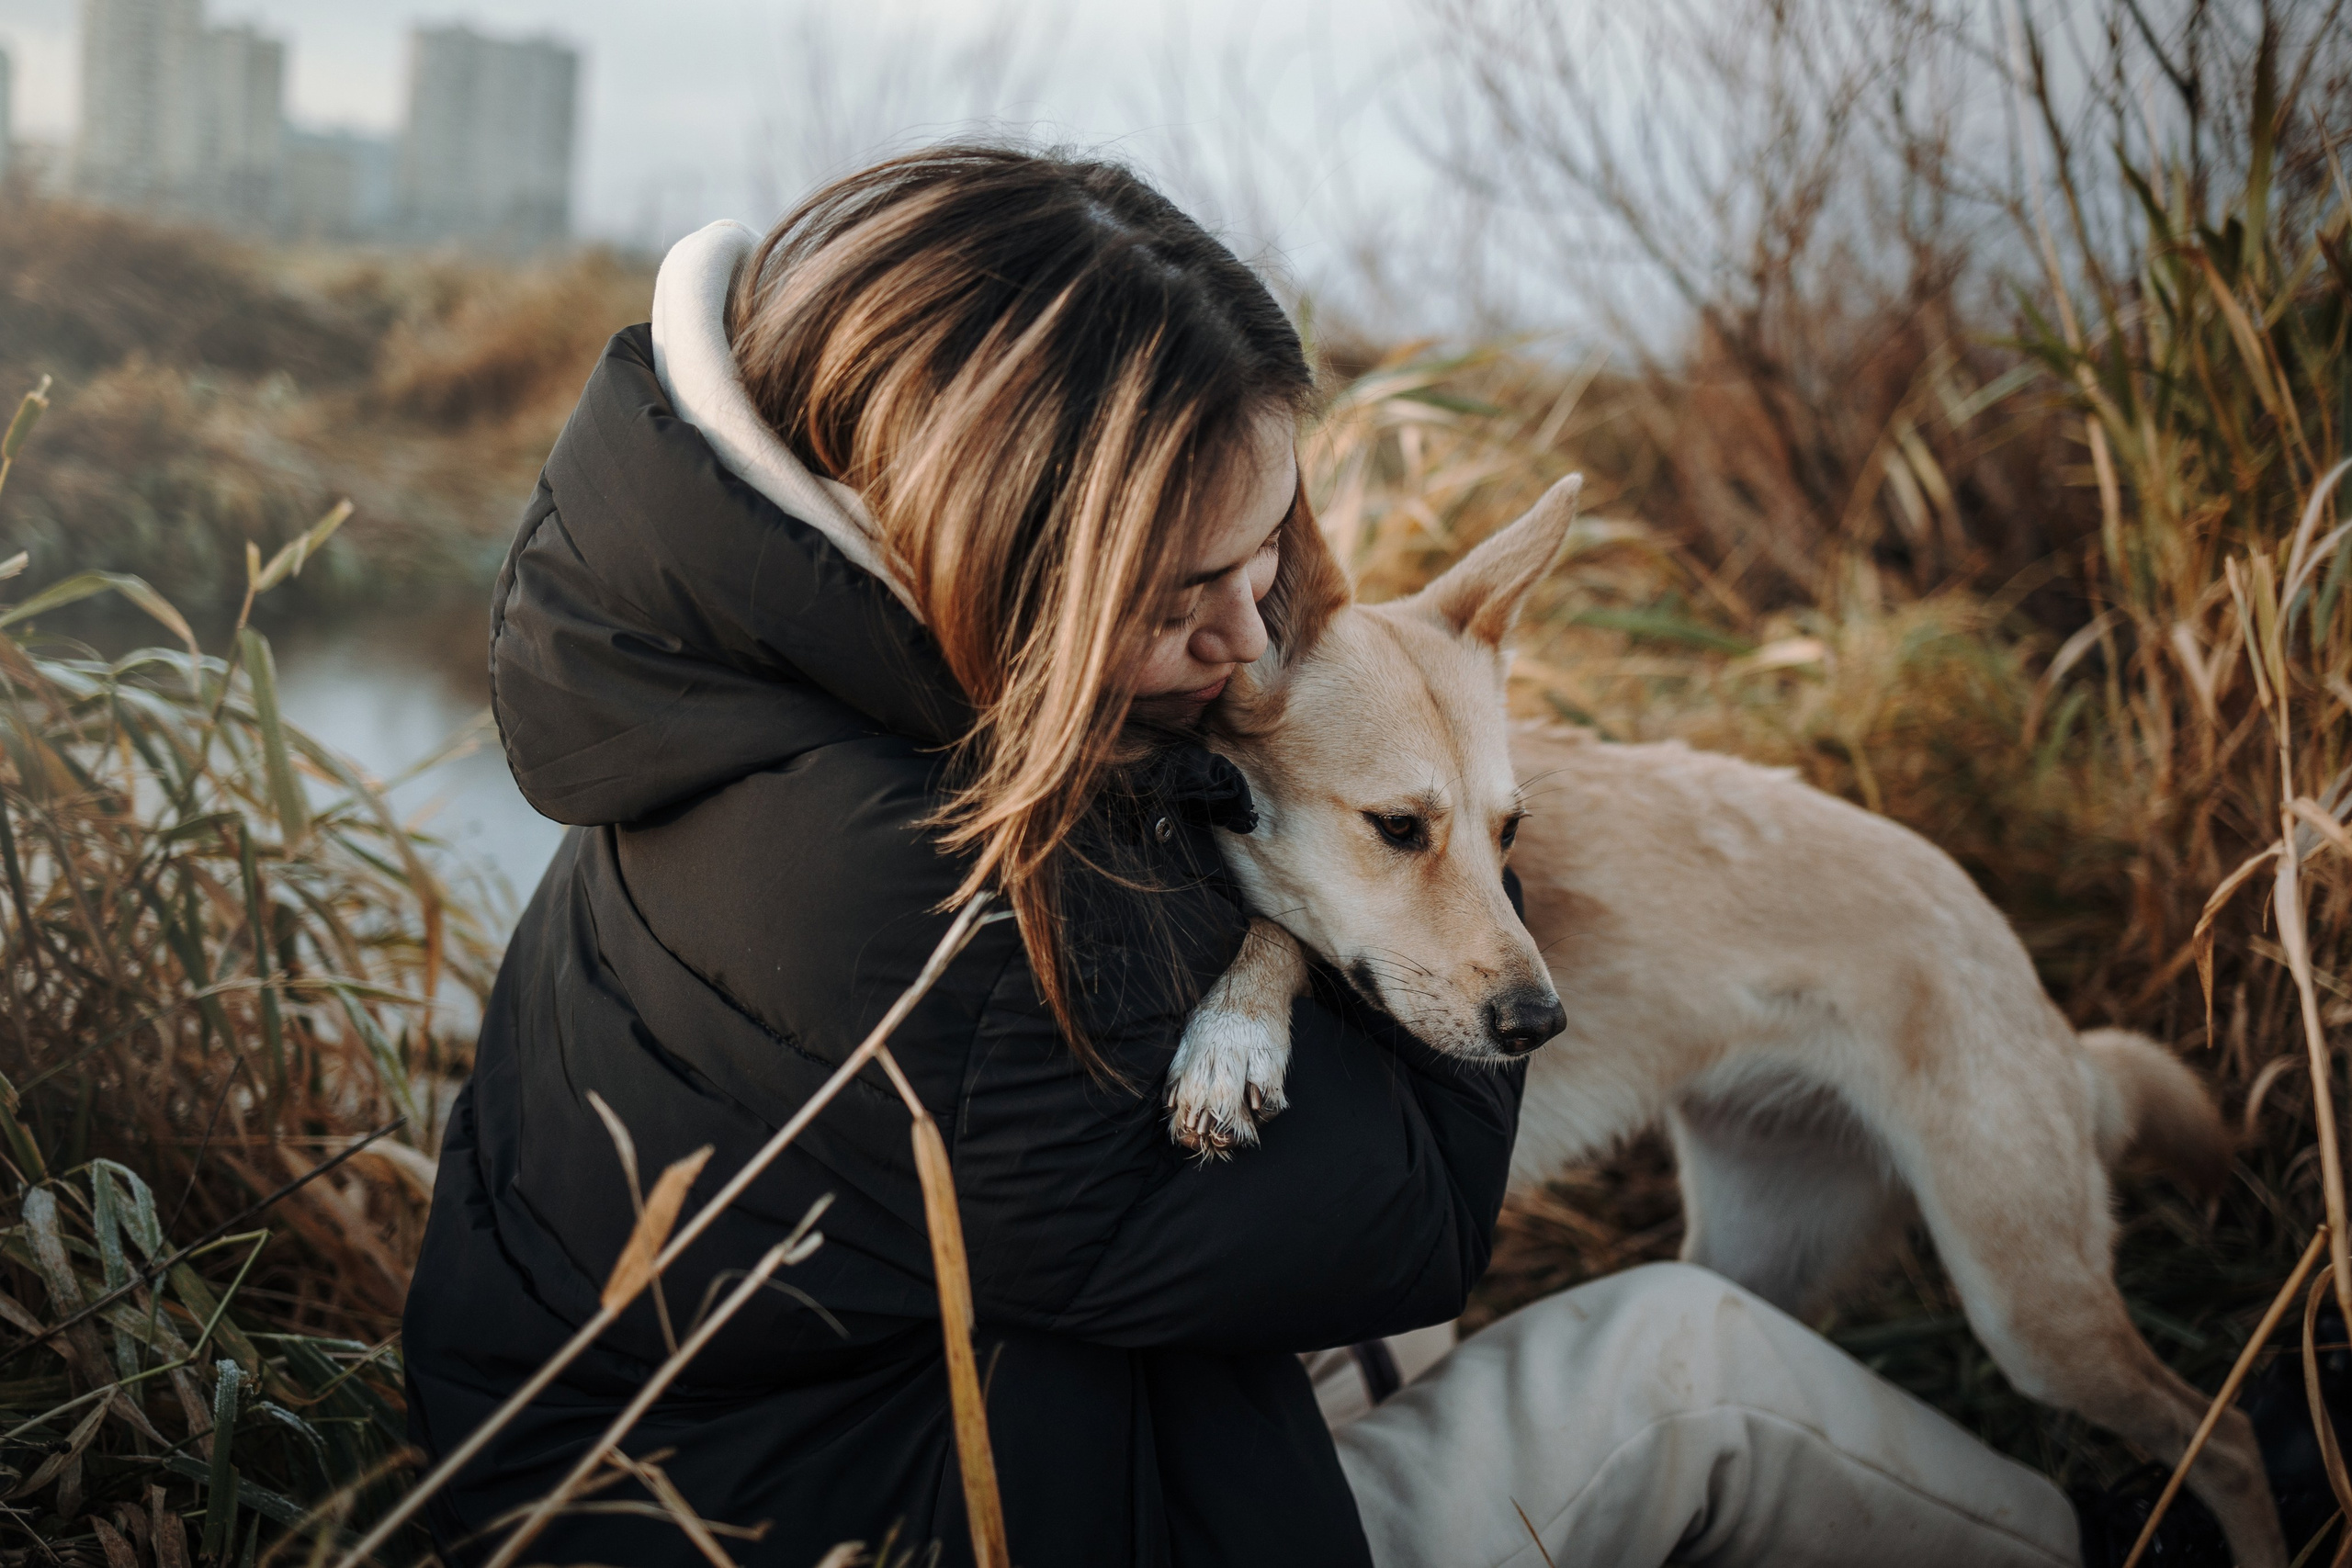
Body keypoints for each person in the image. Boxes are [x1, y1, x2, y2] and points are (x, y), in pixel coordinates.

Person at [401, 145, 2084, 1567]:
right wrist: (1462, 824)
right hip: (898, 1520)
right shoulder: (917, 909)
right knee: (1687, 1363)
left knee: (1402, 1338)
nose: (1251, 644)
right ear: (1000, 555)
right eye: (1177, 596)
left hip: (754, 1449)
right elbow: (1415, 1210)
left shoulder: (732, 683)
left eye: (1266, 558)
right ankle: (2091, 1534)